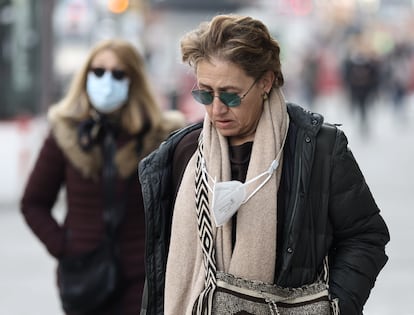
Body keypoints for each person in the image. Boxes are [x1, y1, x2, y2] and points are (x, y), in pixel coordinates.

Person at [138, 14, 390, 315]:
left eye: (231, 96)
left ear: (266, 82)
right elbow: (160, 261)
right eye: (205, 93)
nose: (216, 108)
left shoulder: (320, 148)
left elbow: (365, 236)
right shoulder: (183, 152)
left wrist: (334, 306)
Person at [21, 39, 185, 315]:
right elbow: (33, 203)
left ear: (134, 80)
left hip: (142, 279)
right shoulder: (66, 134)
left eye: (118, 74)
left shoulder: (159, 137)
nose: (107, 80)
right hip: (84, 276)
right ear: (85, 76)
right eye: (98, 71)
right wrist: (65, 246)